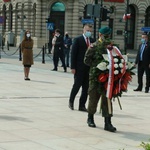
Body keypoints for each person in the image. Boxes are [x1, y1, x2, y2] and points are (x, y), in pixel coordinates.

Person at [84, 26, 118, 132]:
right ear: (100, 35)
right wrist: (97, 67)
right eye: (105, 36)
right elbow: (86, 60)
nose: (107, 38)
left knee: (107, 99)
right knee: (93, 97)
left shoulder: (112, 47)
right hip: (95, 77)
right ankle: (90, 118)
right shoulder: (93, 46)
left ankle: (108, 122)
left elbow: (116, 59)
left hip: (108, 78)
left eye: (109, 36)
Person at [68, 24, 95, 111]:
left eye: (90, 31)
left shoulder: (92, 41)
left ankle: (82, 105)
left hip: (88, 68)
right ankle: (71, 102)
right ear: (83, 30)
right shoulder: (78, 39)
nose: (89, 32)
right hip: (79, 68)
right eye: (87, 31)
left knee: (86, 88)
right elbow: (73, 54)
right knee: (76, 86)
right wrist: (73, 67)